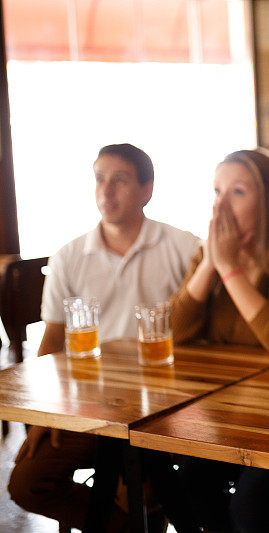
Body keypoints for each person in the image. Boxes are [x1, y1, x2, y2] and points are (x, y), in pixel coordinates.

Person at [8, 143, 199, 530]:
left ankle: (143, 506)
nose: (105, 191)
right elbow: (52, 342)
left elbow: (205, 331)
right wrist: (45, 412)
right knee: (27, 482)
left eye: (120, 180)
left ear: (147, 189)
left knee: (146, 487)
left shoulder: (184, 247)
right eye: (99, 179)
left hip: (166, 408)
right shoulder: (69, 255)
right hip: (90, 407)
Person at [167, 148, 269, 532]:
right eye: (216, 191)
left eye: (237, 192)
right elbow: (174, 332)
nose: (221, 203)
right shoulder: (212, 251)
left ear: (268, 199)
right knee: (182, 483)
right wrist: (210, 263)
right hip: (230, 408)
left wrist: (228, 268)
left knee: (248, 504)